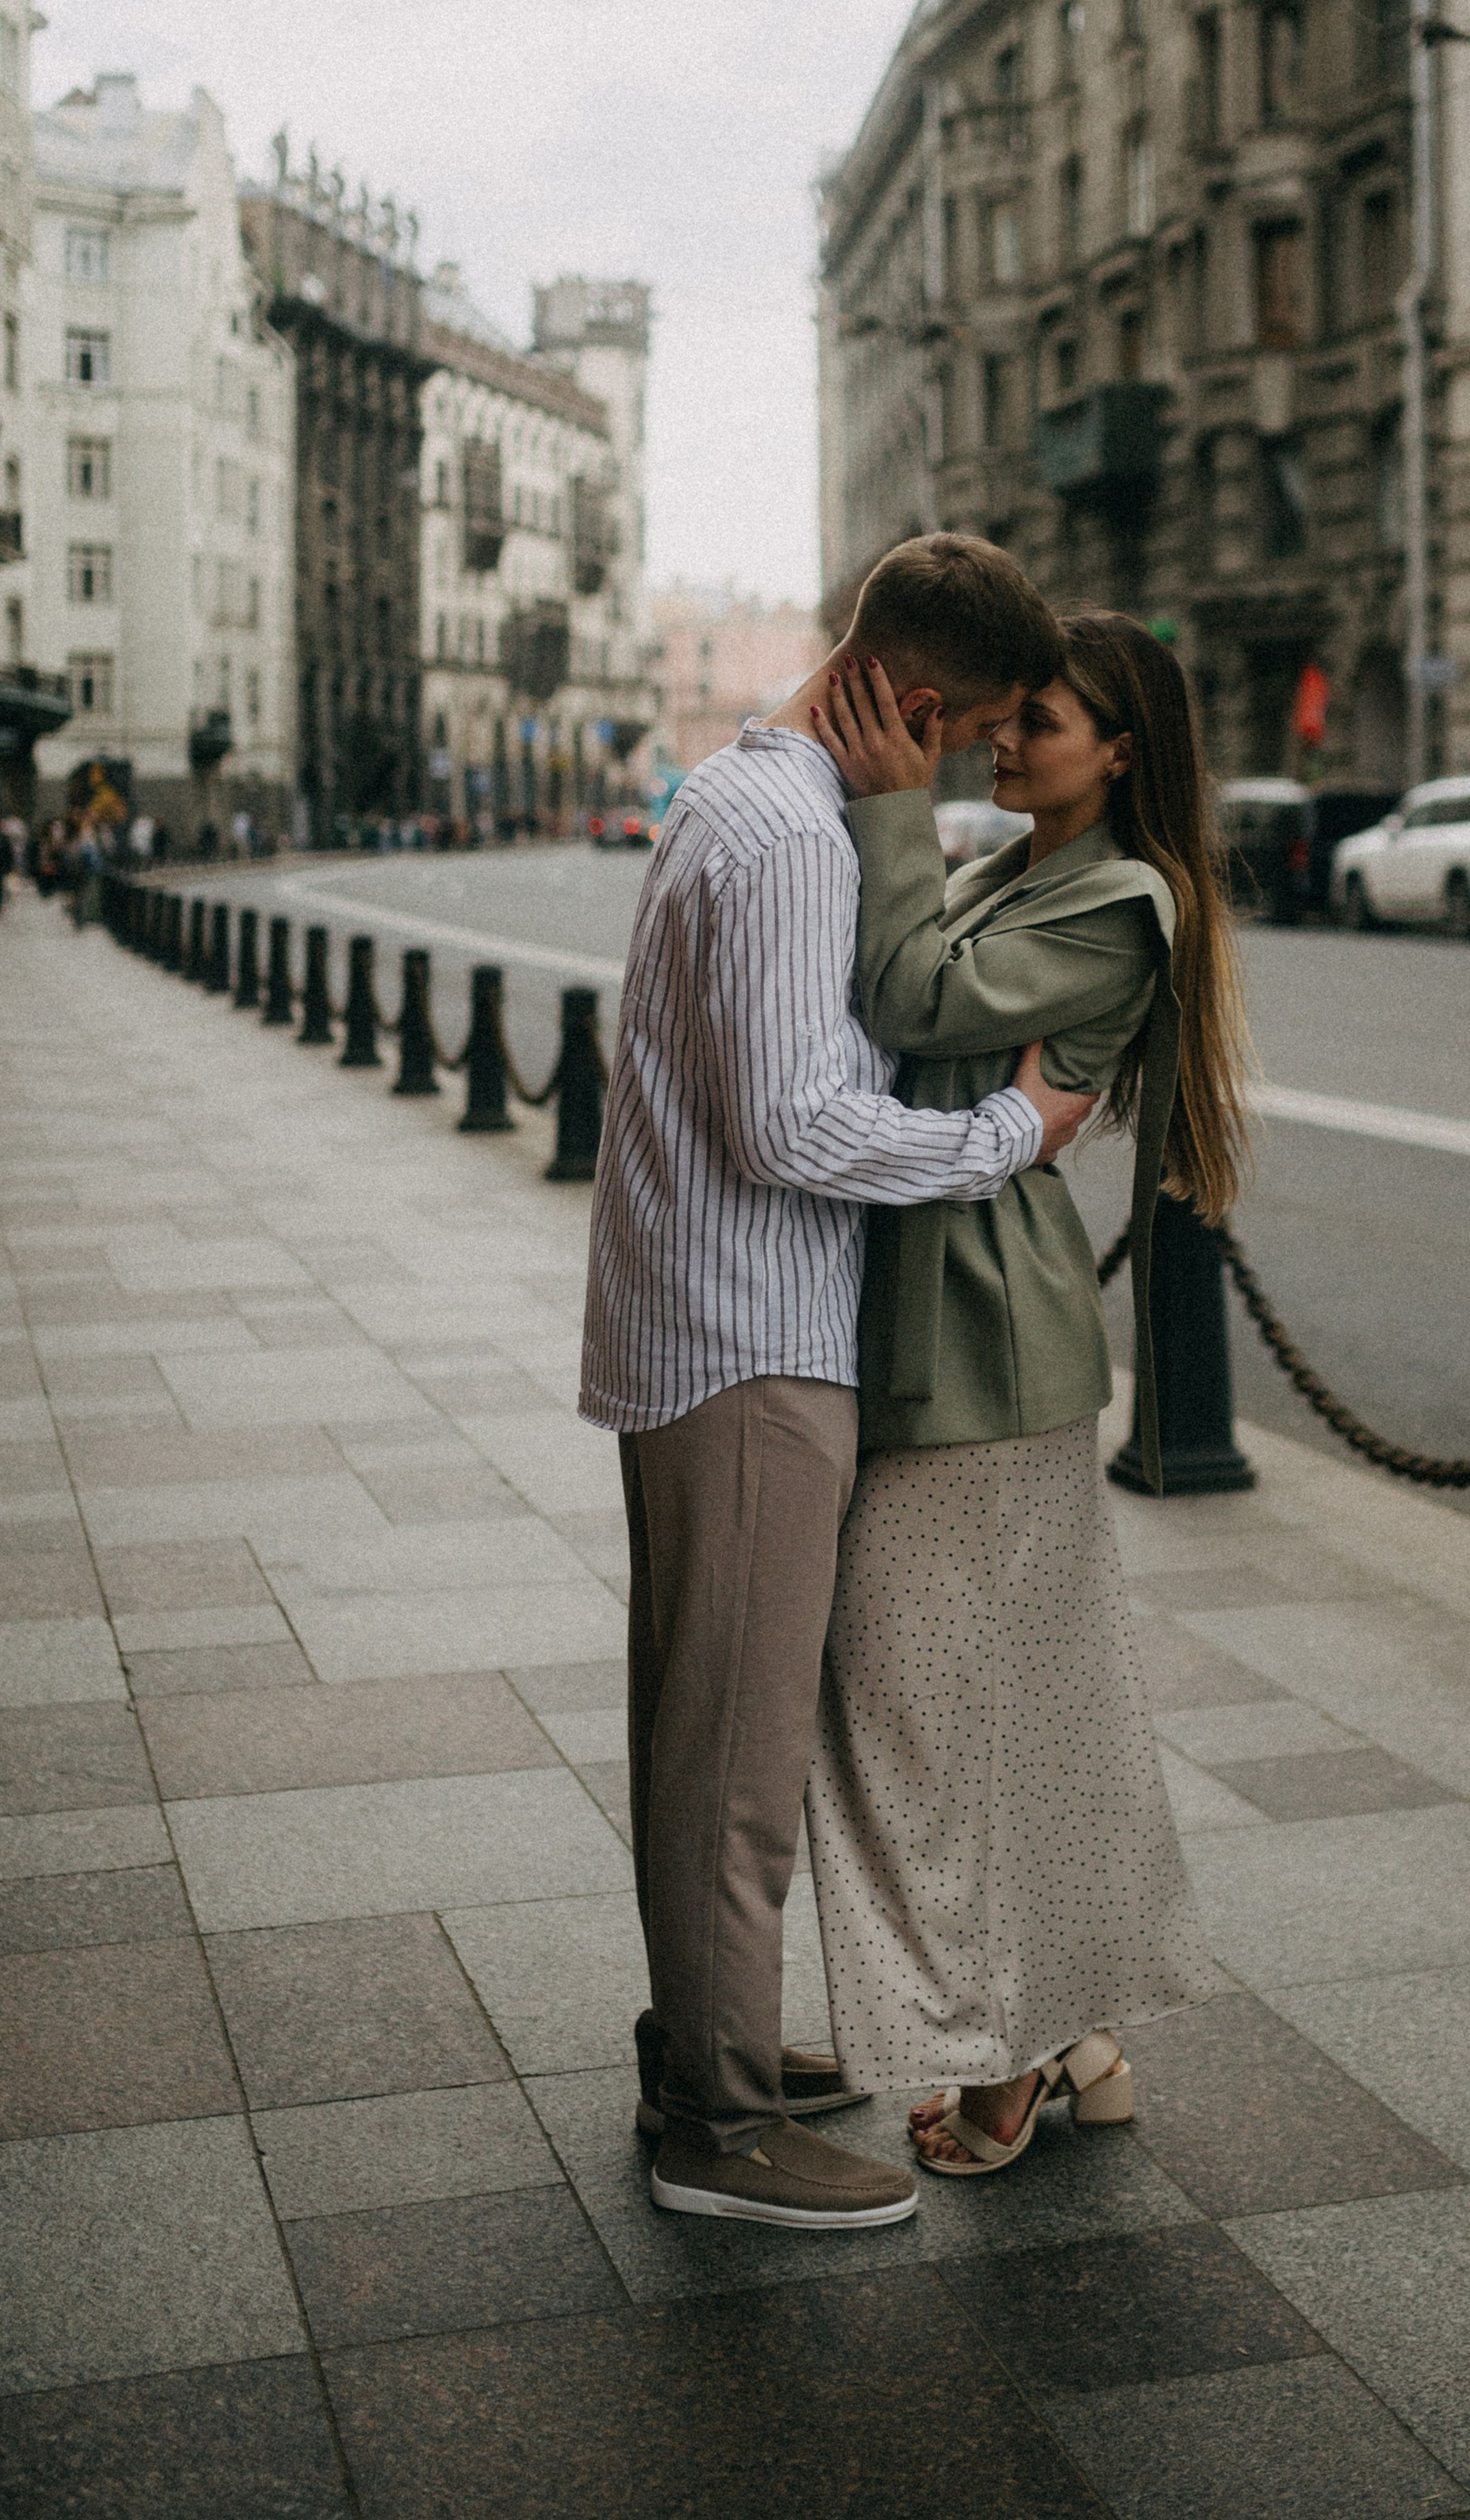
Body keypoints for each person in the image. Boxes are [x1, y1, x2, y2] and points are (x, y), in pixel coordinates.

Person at [577, 532, 1096, 2234]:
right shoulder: (797, 836)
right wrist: (1003, 1135)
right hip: (753, 1346)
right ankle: (716, 2132)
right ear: (918, 698)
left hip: (701, 1328)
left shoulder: (741, 795)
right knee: (732, 1766)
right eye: (974, 733)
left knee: (699, 1735)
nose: (971, 766)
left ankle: (701, 2046)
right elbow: (794, 1122)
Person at [805, 613, 1248, 2178]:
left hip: (986, 1340)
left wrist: (890, 804)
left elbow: (918, 997)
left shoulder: (1122, 901)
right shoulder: (1017, 866)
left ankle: (1004, 2047)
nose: (1007, 738)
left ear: (1122, 750)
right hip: (946, 1312)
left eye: (1041, 721)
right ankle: (1065, 2038)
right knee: (993, 1712)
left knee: (935, 1714)